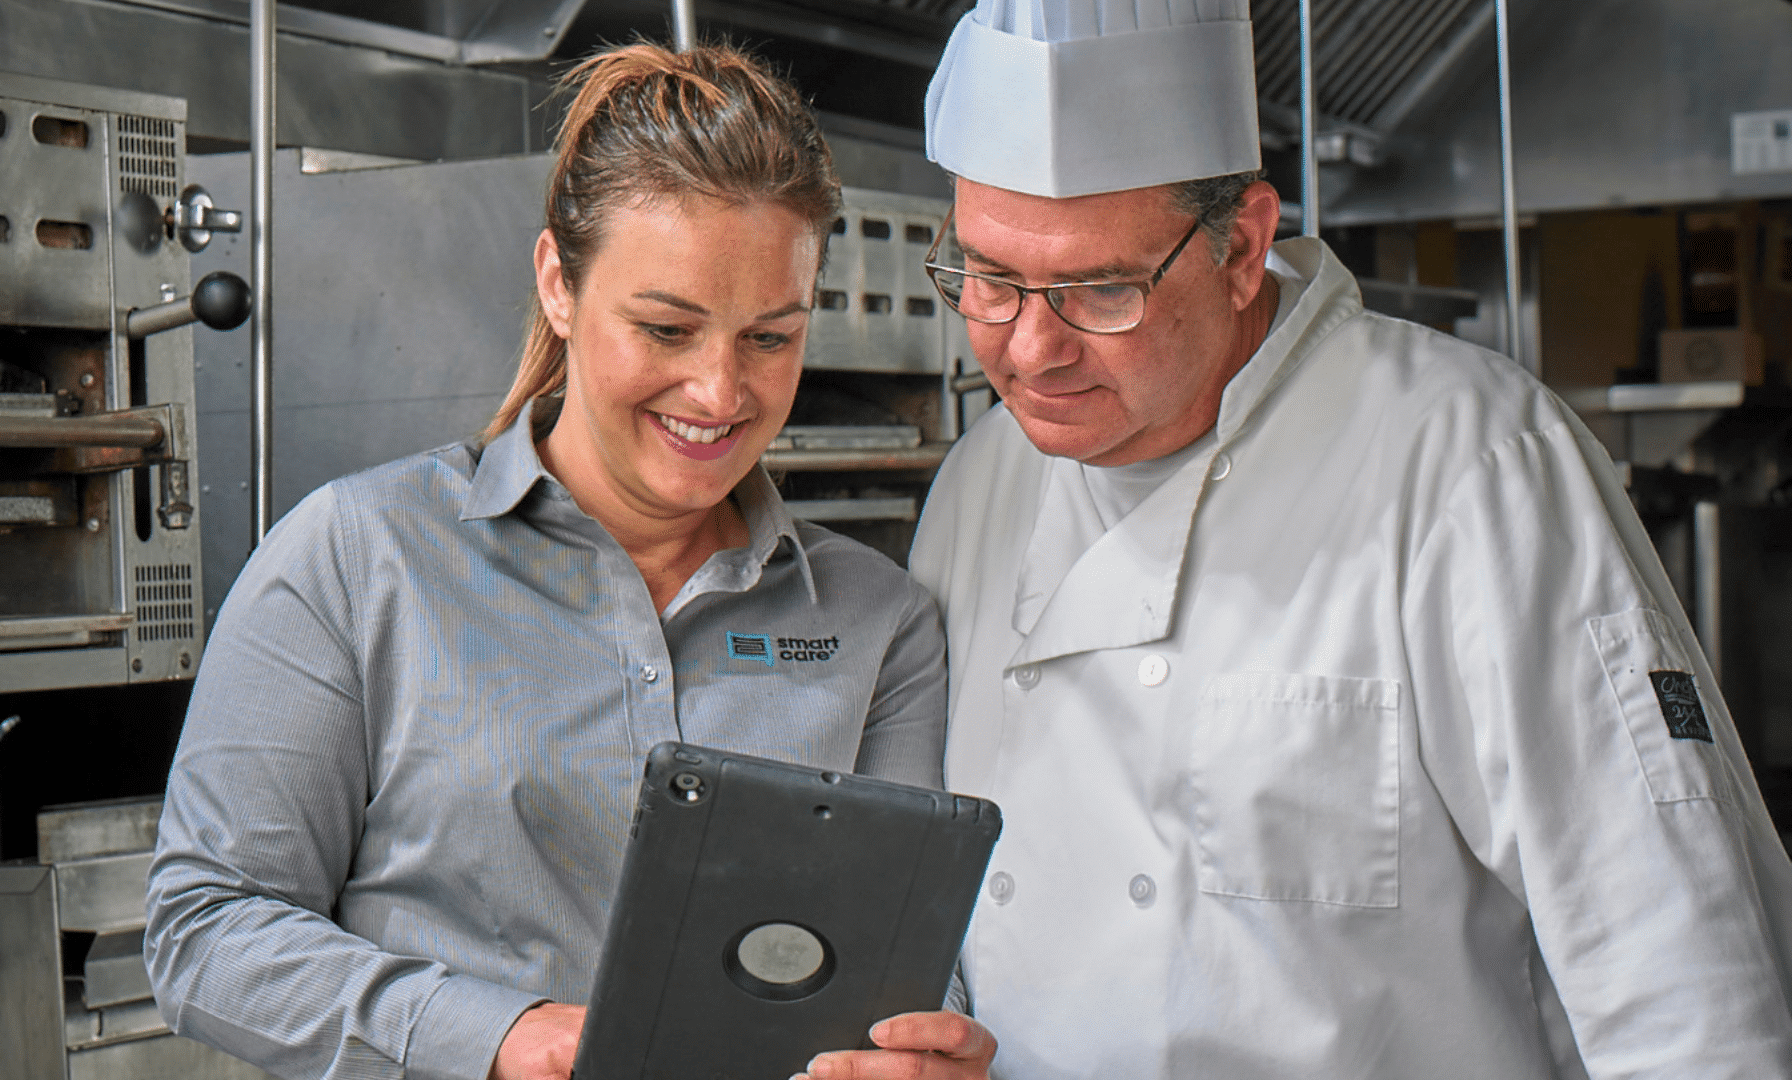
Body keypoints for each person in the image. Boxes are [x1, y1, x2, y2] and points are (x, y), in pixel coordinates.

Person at [895, 1, 1792, 1078]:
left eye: (1101, 290)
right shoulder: (976, 485)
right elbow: (944, 911)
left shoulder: (1469, 464)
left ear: (1244, 247)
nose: (1032, 350)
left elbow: (1679, 978)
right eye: (988, 278)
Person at [146, 42, 993, 1080]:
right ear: (559, 282)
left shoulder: (881, 621)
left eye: (769, 339)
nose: (720, 391)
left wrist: (921, 1050)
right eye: (667, 328)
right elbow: (207, 933)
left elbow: (910, 959)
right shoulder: (357, 559)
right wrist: (502, 1034)